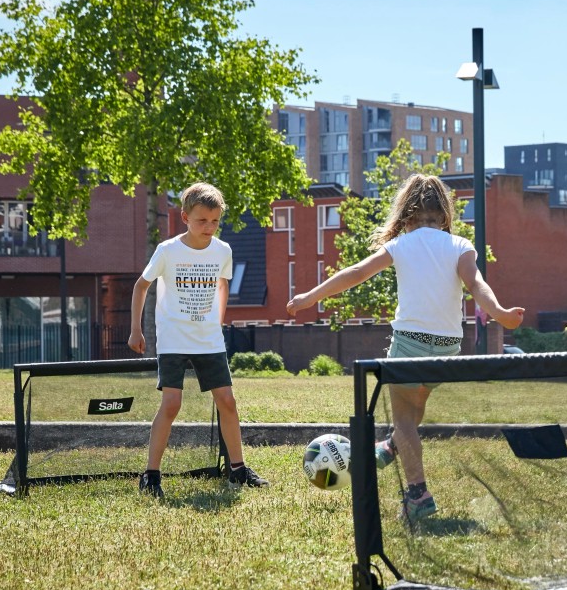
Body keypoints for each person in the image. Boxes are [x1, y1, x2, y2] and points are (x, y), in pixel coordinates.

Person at [286, 174, 524, 524]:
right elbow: (476, 284)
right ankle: (391, 447)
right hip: (447, 346)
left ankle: (418, 494)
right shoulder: (460, 245)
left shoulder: (400, 245)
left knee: (403, 419)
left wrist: (310, 296)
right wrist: (501, 313)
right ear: (444, 215)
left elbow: (355, 272)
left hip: (409, 342)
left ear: (406, 215)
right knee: (413, 414)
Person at [128, 181, 265, 496]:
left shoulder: (223, 250)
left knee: (227, 402)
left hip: (208, 340)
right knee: (172, 404)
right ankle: (150, 475)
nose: (209, 227)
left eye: (215, 221)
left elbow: (222, 285)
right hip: (174, 338)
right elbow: (141, 286)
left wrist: (217, 321)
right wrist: (136, 329)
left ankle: (238, 470)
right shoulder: (168, 251)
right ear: (185, 217)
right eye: (202, 220)